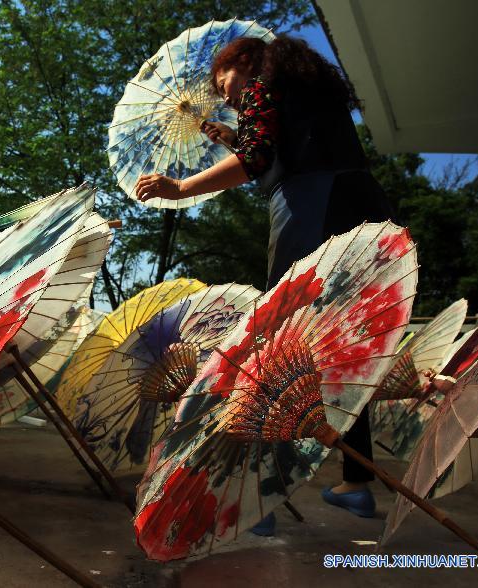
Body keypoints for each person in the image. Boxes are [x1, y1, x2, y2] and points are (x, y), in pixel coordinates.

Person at [136, 35, 394, 531]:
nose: (225, 96)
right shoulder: (307, 92)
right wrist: (233, 136)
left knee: (278, 342)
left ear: (246, 62)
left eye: (223, 82)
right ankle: (356, 485)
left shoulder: (262, 86)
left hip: (310, 208)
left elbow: (258, 160)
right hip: (363, 208)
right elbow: (273, 147)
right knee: (346, 347)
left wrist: (181, 187)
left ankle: (260, 495)